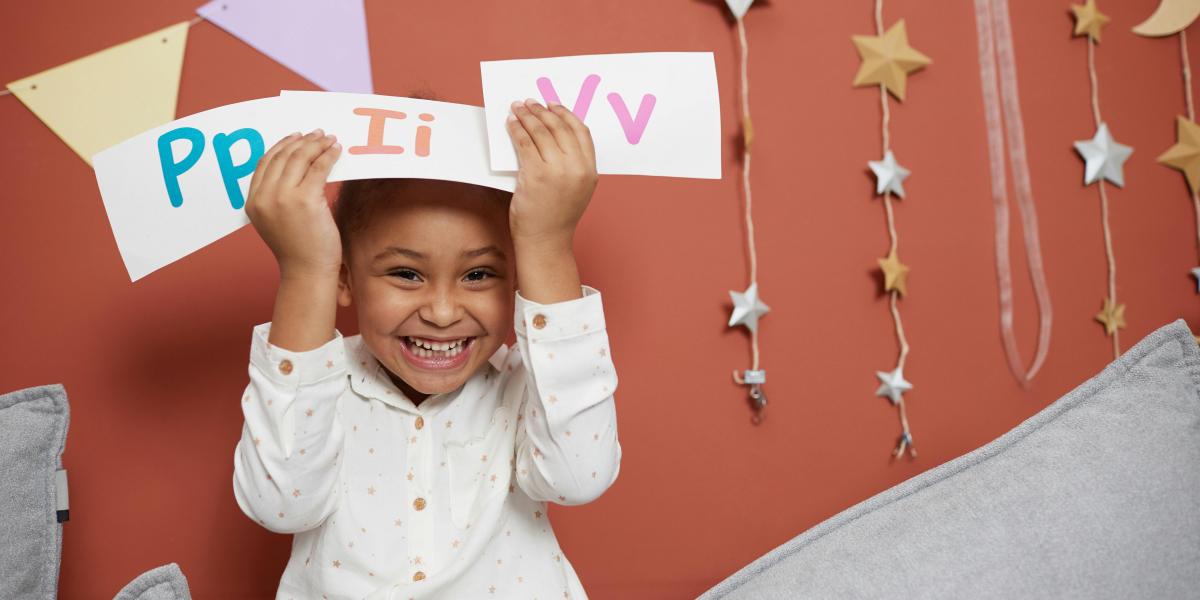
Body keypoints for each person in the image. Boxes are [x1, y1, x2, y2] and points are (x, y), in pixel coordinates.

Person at [232, 98, 620, 599]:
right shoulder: (318, 386)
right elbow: (279, 503)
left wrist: (547, 240)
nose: (441, 312)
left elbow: (580, 477)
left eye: (478, 275)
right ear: (344, 278)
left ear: (516, 280)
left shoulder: (531, 384)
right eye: (406, 274)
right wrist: (307, 273)